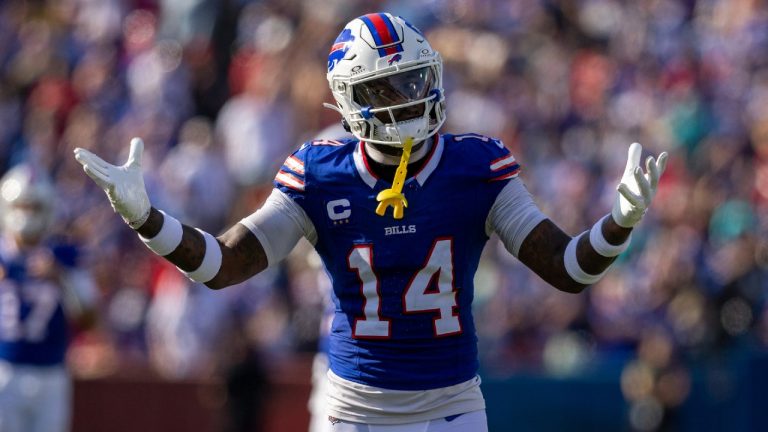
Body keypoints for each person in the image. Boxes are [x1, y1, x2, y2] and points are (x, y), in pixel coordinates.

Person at [74, 12, 668, 432]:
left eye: (415, 78)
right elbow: (223, 265)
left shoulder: (474, 166)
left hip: (452, 407)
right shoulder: (319, 173)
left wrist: (617, 222)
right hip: (353, 412)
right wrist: (146, 219)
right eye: (389, 86)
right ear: (351, 99)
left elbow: (568, 269)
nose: (411, 95)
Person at [0, 164, 97, 432]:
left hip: (52, 373)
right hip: (4, 370)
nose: (26, 215)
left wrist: (61, 279)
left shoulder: (64, 255)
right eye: (21, 206)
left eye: (33, 207)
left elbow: (89, 320)